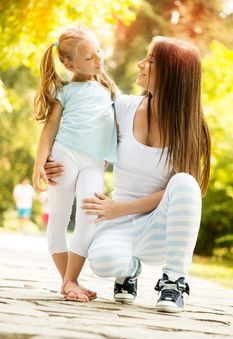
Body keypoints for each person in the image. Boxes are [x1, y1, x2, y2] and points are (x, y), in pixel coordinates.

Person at [45, 36, 211, 313]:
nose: (140, 64)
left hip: (160, 227)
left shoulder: (191, 128)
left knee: (185, 183)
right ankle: (129, 269)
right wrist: (52, 158)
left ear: (171, 74)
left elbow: (183, 192)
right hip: (120, 223)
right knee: (102, 262)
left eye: (150, 61)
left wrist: (120, 207)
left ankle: (173, 280)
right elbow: (80, 127)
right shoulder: (123, 108)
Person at [32, 26, 117, 302]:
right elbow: (49, 129)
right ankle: (69, 281)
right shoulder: (64, 91)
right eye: (89, 57)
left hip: (94, 164)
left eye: (99, 51)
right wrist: (39, 164)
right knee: (58, 218)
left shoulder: (108, 89)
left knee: (88, 216)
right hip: (64, 156)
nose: (99, 59)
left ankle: (70, 280)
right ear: (69, 64)